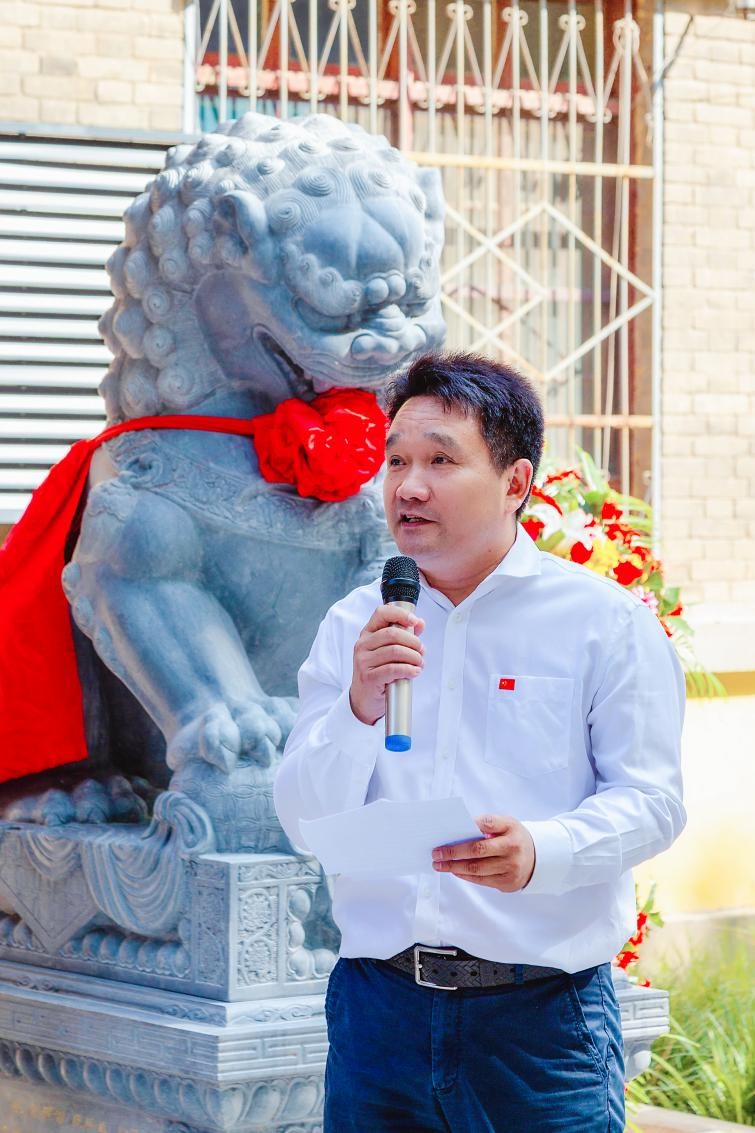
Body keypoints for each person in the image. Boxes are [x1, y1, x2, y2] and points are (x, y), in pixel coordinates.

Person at [274, 351, 685, 1133]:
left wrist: (542, 849)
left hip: (539, 1024)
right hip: (377, 1014)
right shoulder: (354, 623)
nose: (407, 486)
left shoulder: (602, 622)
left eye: (439, 460)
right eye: (396, 460)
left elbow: (652, 801)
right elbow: (302, 818)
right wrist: (358, 705)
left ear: (514, 481)